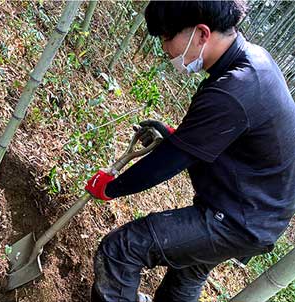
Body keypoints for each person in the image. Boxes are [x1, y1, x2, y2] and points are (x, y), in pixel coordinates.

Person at [83, 1, 295, 301]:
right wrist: (176, 138)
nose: (165, 48)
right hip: (258, 213)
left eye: (168, 37)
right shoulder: (252, 60)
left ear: (202, 34)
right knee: (186, 276)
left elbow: (169, 162)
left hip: (237, 220)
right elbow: (218, 138)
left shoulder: (235, 88)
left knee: (121, 250)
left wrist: (112, 188)